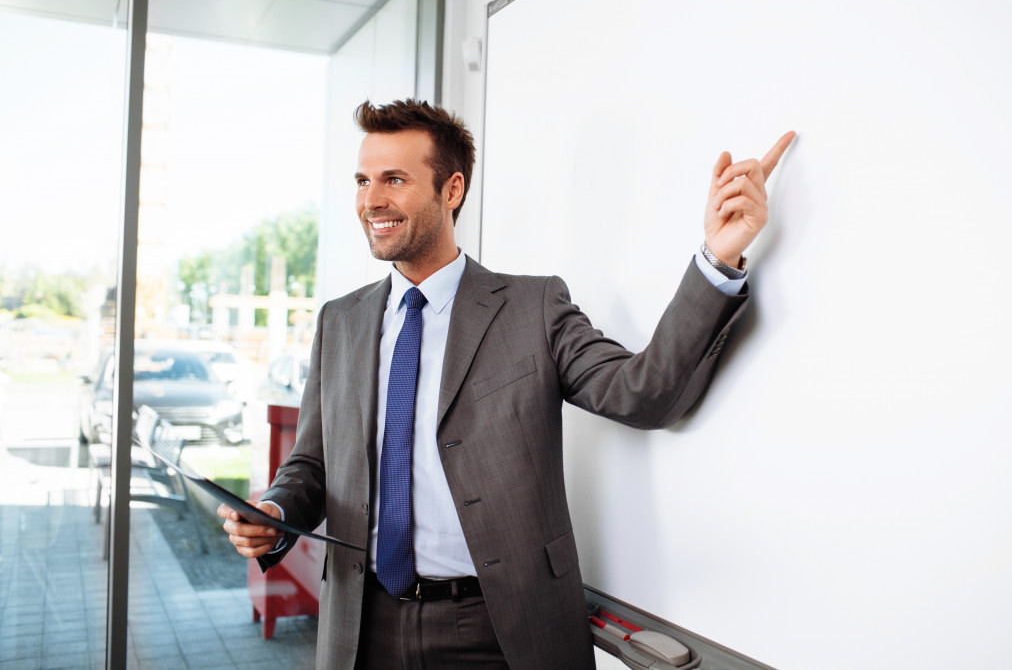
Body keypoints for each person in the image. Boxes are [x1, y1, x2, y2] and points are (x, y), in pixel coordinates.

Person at [220, 99, 794, 669]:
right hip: (361, 626)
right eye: (364, 181)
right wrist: (273, 511)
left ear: (452, 190)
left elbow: (641, 393)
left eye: (394, 179)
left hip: (499, 632)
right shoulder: (338, 321)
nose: (372, 200)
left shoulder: (531, 307)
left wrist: (718, 257)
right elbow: (313, 465)